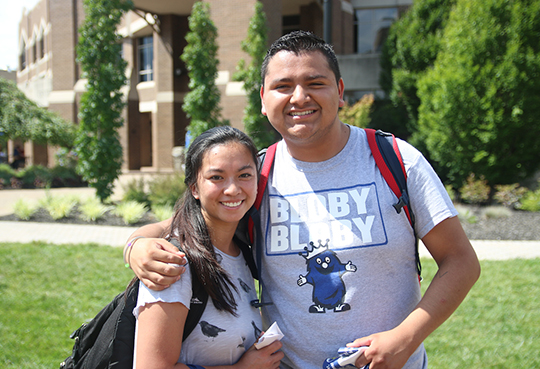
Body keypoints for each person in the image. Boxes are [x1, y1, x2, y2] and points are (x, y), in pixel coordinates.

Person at [124, 31, 480, 369]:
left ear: (340, 91)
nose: (298, 98)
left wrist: (405, 338)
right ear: (263, 99)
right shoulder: (254, 177)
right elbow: (178, 225)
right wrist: (136, 247)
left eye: (315, 83)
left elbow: (460, 261)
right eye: (282, 86)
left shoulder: (396, 159)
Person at [131, 126, 284, 369]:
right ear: (194, 188)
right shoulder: (174, 264)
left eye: (244, 175)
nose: (233, 189)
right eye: (216, 177)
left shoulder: (240, 249)